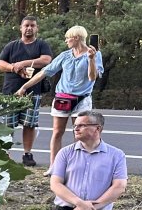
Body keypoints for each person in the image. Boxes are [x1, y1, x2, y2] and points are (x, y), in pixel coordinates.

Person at [17, 25, 102, 175]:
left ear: (76, 38)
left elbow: (92, 77)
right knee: (57, 132)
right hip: (62, 98)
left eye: (68, 38)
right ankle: (54, 167)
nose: (66, 41)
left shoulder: (94, 55)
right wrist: (25, 87)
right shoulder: (65, 55)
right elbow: (45, 72)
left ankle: (77, 167)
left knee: (80, 133)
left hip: (82, 99)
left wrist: (91, 59)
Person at [0, 15, 53, 167]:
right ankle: (5, 154)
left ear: (36, 28)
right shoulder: (11, 46)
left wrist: (23, 63)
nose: (29, 28)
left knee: (30, 124)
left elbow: (46, 60)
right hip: (10, 91)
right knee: (8, 125)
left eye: (32, 25)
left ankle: (27, 154)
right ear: (21, 28)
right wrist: (13, 67)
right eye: (26, 25)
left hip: (33, 91)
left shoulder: (41, 45)